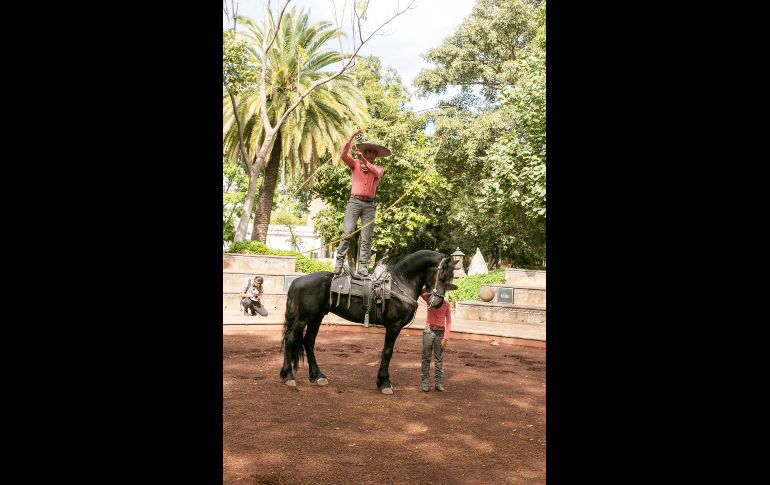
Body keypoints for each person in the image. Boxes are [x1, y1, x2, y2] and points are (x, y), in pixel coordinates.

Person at [333, 128, 391, 276]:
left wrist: (364, 161)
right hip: (354, 202)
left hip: (369, 205)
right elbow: (343, 155)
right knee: (347, 233)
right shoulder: (355, 164)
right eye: (368, 152)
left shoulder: (378, 168)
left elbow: (377, 173)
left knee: (367, 238)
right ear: (364, 153)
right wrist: (351, 137)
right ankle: (339, 263)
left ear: (376, 156)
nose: (371, 154)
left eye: (373, 152)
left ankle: (363, 267)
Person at [420, 286, 451, 392]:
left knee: (438, 359)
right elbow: (422, 292)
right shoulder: (430, 301)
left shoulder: (447, 305)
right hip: (429, 331)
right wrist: (429, 288)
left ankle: (438, 383)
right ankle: (425, 382)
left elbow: (449, 322)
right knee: (426, 358)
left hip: (440, 333)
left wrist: (445, 338)